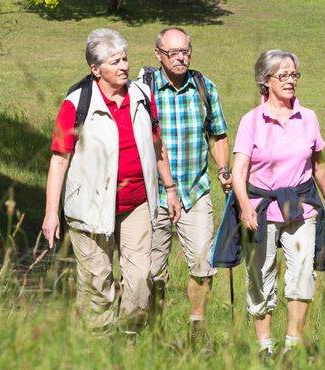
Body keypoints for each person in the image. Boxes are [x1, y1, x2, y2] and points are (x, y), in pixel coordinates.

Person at [41, 28, 181, 335]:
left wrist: (170, 188)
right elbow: (59, 159)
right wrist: (51, 212)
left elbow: (157, 146)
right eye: (114, 61)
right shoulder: (76, 105)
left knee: (140, 282)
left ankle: (128, 343)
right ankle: (97, 349)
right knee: (97, 286)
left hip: (137, 204)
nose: (123, 66)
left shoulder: (142, 97)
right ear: (95, 69)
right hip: (89, 208)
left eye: (125, 59)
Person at [223, 49, 325, 357]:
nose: (290, 81)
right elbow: (239, 171)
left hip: (301, 205)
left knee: (303, 273)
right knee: (260, 274)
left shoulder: (309, 117)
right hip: (261, 207)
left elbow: (319, 165)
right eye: (283, 75)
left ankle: (291, 347)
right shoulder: (252, 121)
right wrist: (245, 205)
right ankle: (264, 347)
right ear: (265, 81)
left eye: (294, 75)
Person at [137, 27, 231, 338]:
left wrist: (223, 169)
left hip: (195, 190)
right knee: (151, 272)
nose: (180, 58)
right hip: (152, 193)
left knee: (203, 267)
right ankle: (154, 327)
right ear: (158, 54)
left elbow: (217, 134)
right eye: (173, 53)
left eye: (185, 52)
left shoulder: (205, 87)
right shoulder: (143, 90)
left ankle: (197, 328)